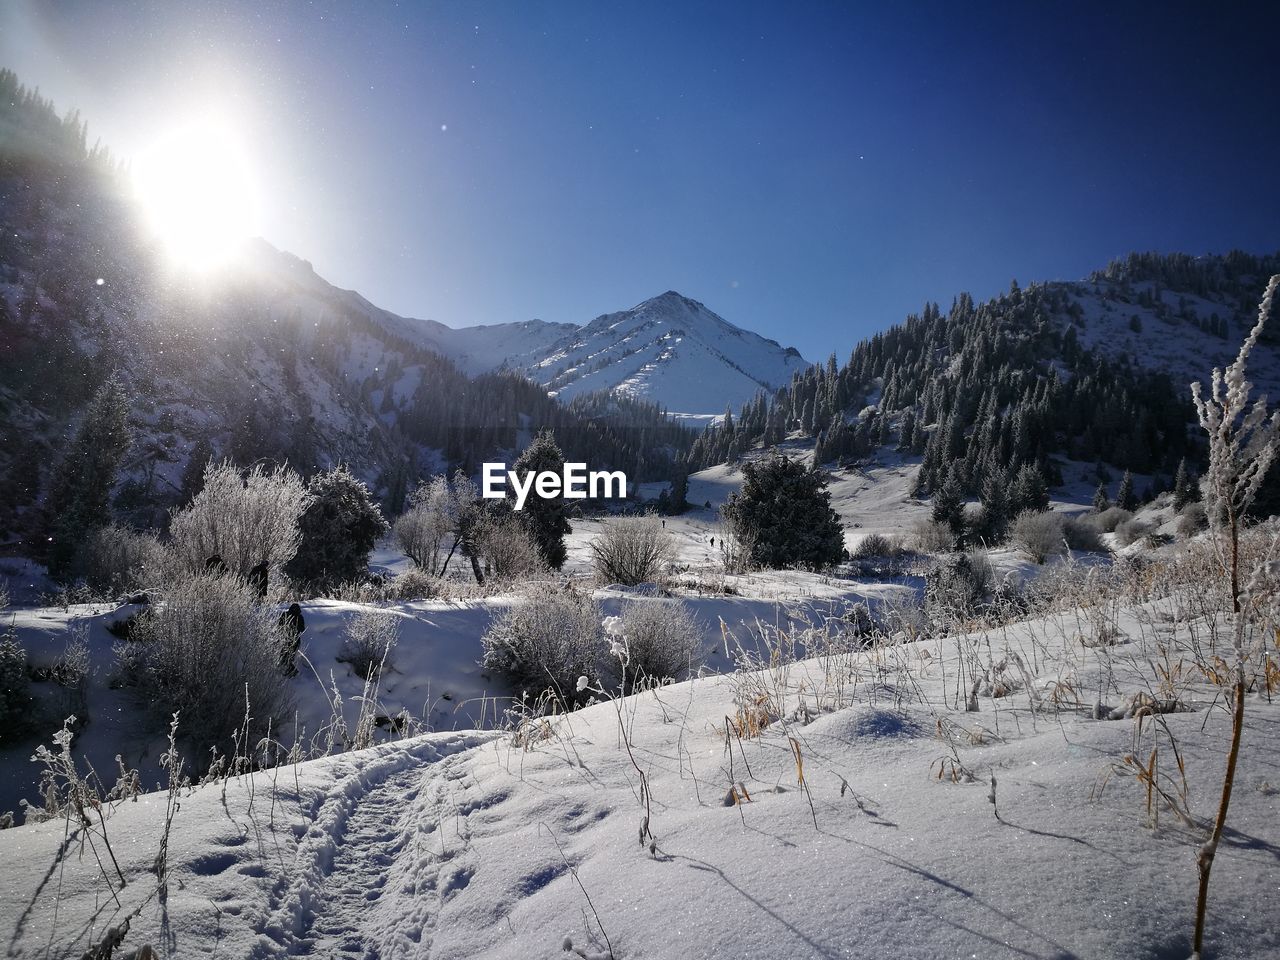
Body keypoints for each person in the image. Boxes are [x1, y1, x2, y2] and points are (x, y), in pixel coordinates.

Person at [278, 603, 305, 676]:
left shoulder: (297, 617)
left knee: (287, 657)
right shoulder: (296, 616)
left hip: (291, 639)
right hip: (290, 639)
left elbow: (302, 629)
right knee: (285, 657)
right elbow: (280, 625)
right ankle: (291, 671)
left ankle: (291, 672)